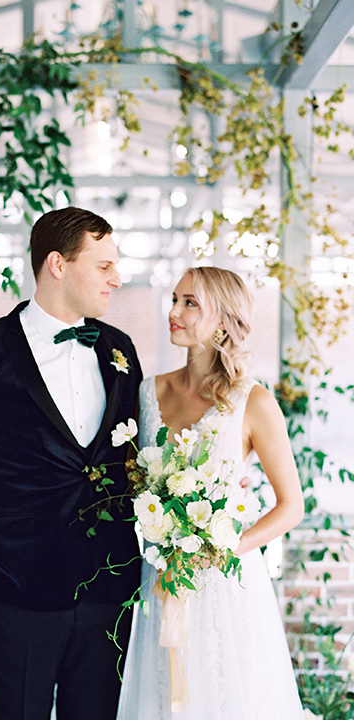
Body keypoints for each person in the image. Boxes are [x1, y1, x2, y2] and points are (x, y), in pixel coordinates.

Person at [0, 207, 143, 720]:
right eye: (103, 266)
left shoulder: (120, 352)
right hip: (14, 597)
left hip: (110, 595)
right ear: (58, 264)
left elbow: (134, 463)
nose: (116, 279)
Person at [117, 266, 305, 720]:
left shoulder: (253, 400)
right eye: (175, 299)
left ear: (223, 320)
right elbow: (131, 482)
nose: (173, 312)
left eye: (190, 303)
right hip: (160, 578)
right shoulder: (148, 391)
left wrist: (224, 548)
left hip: (226, 583)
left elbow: (291, 506)